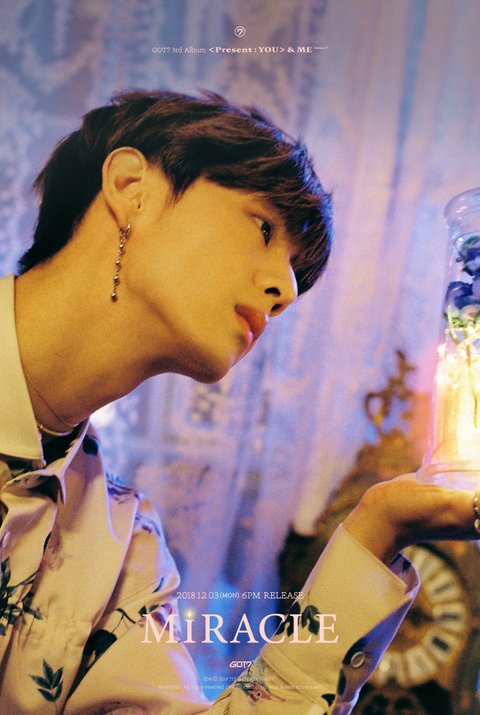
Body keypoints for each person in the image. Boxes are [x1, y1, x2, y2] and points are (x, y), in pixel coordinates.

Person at [0, 89, 477, 714]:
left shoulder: (122, 552)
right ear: (130, 187)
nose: (285, 291)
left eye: (298, 274)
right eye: (263, 228)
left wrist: (378, 528)